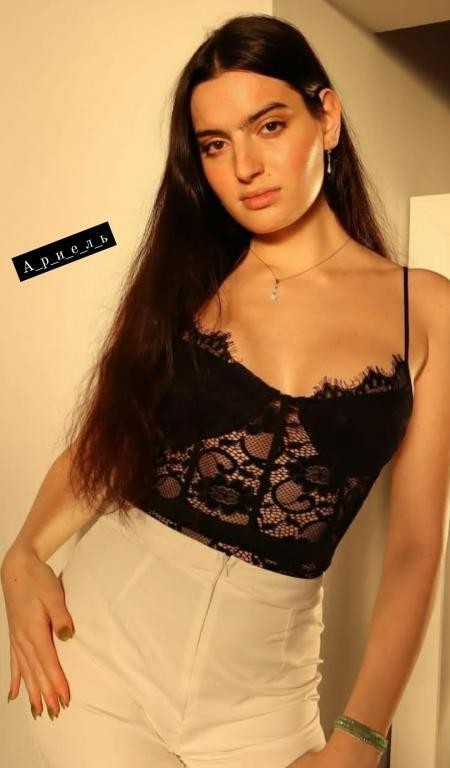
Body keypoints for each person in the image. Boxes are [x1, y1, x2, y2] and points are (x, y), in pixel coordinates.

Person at [2, 12, 449, 768]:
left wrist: (360, 739)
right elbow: (107, 443)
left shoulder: (428, 310)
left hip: (264, 705)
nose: (245, 166)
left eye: (269, 126)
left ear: (327, 117)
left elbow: (414, 546)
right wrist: (21, 558)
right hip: (99, 662)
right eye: (215, 144)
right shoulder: (187, 279)